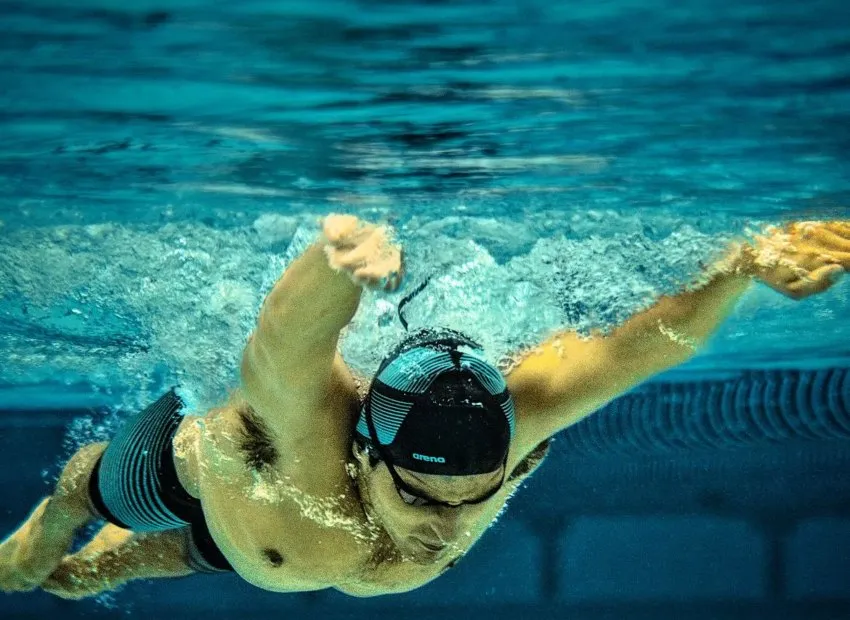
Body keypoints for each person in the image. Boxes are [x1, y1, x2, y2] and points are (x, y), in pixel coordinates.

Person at [1, 215, 848, 599]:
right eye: (420, 496)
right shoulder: (306, 433)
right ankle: (54, 518)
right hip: (203, 482)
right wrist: (338, 261)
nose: (448, 529)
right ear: (365, 454)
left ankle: (101, 562)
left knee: (99, 580)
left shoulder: (516, 424)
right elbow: (282, 346)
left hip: (245, 543)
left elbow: (649, 344)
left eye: (472, 498)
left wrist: (743, 265)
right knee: (78, 520)